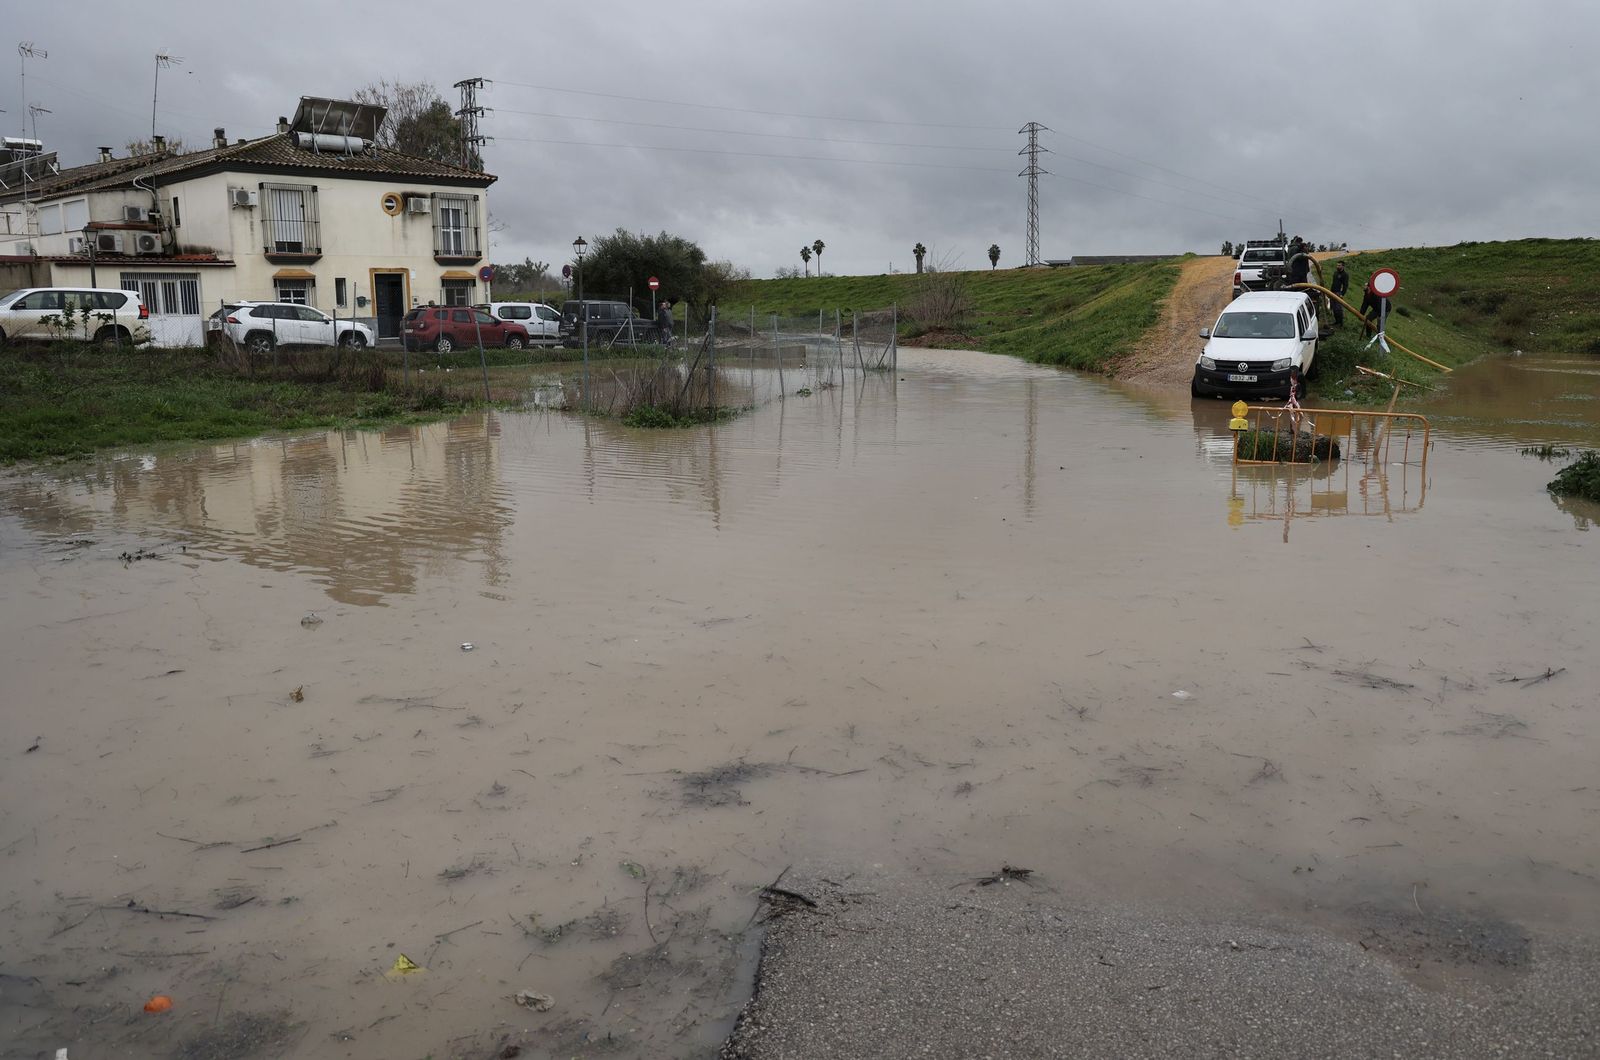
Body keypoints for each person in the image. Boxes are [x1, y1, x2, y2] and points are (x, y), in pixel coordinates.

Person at [1329, 262, 1349, 327]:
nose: (1337, 266)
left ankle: (1341, 323)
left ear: (1343, 266)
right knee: (1334, 308)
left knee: (1338, 308)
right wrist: (1330, 292)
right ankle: (1336, 321)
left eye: (1339, 265)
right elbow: (1333, 283)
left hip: (1338, 293)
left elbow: (1345, 285)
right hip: (1332, 292)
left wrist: (1342, 294)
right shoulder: (1335, 273)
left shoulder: (1345, 275)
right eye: (1337, 265)